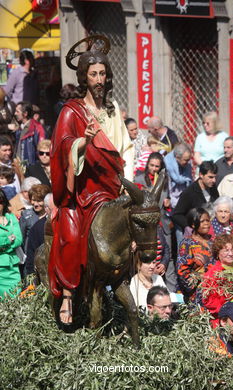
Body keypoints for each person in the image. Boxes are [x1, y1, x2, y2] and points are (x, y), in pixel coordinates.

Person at [48, 38, 134, 325]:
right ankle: (68, 295)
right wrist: (82, 142)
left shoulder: (112, 110)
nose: (99, 79)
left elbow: (125, 150)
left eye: (102, 74)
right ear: (84, 77)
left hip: (112, 188)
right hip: (82, 191)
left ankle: (140, 278)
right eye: (93, 74)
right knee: (70, 233)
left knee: (144, 224)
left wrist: (127, 183)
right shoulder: (71, 111)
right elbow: (61, 148)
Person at [177, 207, 214, 303]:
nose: (206, 223)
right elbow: (183, 272)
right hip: (198, 294)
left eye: (208, 220)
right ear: (193, 224)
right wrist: (201, 280)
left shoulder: (214, 241)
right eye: (202, 221)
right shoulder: (187, 244)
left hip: (215, 291)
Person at [172, 160, 219, 233]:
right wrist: (188, 226)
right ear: (201, 175)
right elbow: (177, 215)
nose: (214, 180)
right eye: (210, 177)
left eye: (215, 177)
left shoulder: (213, 188)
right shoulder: (190, 192)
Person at [25, 193, 55, 276]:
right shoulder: (37, 228)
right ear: (46, 209)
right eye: (53, 209)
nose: (56, 212)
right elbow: (31, 255)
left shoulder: (65, 224)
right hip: (45, 273)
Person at [0, 189, 23, 298]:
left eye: (0, 202)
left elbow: (18, 239)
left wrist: (3, 247)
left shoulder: (11, 217)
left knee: (15, 299)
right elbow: (12, 239)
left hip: (12, 266)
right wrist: (8, 240)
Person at [14, 101, 45, 166]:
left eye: (17, 111)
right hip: (19, 167)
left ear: (25, 113)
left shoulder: (37, 128)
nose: (15, 113)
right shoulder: (19, 128)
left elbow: (42, 150)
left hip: (31, 168)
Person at [164, 142, 192, 209]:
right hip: (170, 193)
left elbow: (188, 177)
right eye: (185, 160)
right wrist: (186, 179)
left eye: (188, 160)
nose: (188, 162)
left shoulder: (187, 162)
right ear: (177, 158)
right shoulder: (168, 162)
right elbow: (177, 179)